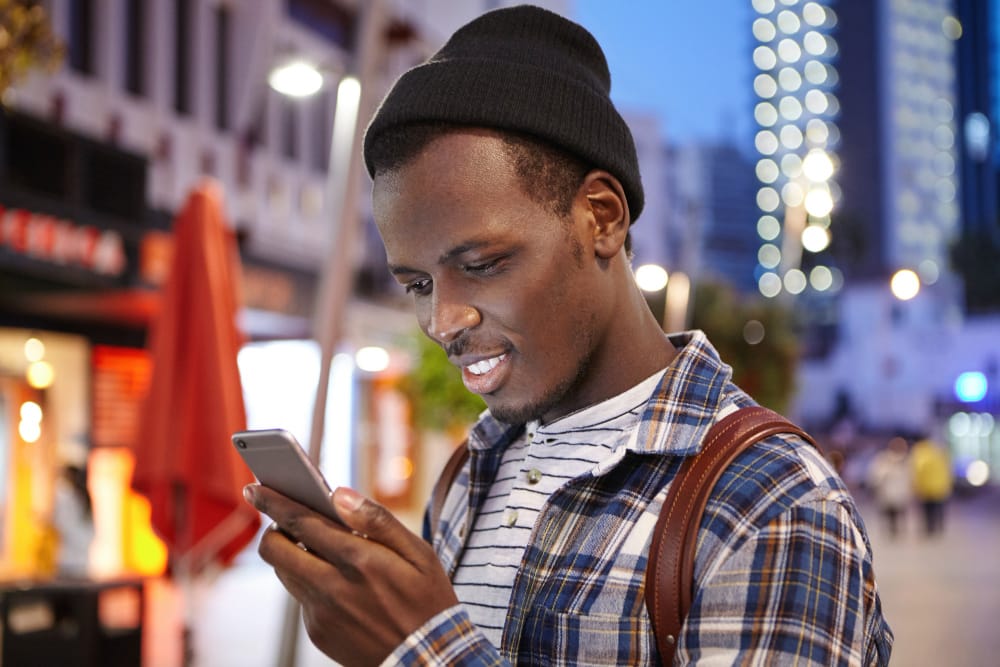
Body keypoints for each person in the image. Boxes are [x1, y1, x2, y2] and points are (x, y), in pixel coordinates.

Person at [243, 5, 893, 664]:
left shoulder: (770, 498)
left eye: (482, 264)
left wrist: (417, 647)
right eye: (417, 284)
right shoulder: (471, 472)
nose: (442, 320)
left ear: (602, 217)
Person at [867, 436, 912, 538]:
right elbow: (876, 475)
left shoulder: (906, 460)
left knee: (900, 513)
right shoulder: (883, 459)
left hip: (901, 493)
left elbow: (909, 477)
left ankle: (898, 531)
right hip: (888, 493)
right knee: (889, 514)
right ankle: (891, 531)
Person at [910, 435, 953, 536]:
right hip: (940, 486)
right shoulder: (938, 451)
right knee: (939, 507)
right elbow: (947, 468)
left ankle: (930, 527)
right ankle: (939, 526)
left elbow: (918, 470)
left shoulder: (920, 452)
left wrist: (916, 485)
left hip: (926, 486)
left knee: (928, 509)